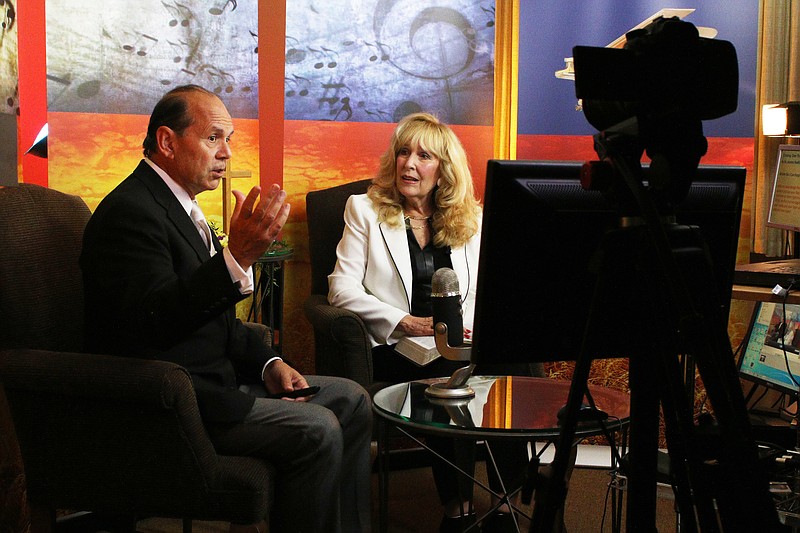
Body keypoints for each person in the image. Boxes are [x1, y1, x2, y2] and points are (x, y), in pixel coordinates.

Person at [80, 84, 372, 533]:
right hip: (178, 404)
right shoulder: (130, 212)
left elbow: (217, 325)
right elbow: (155, 323)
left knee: (352, 400)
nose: (227, 154)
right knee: (318, 428)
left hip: (218, 385)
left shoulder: (181, 208)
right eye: (214, 138)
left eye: (228, 139)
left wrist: (270, 362)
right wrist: (237, 259)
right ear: (167, 141)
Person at [328, 112, 543, 533]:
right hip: (398, 348)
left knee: (514, 370)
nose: (409, 164)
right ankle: (457, 511)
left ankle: (504, 505)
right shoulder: (365, 210)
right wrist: (404, 321)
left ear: (444, 168)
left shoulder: (470, 219)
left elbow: (483, 290)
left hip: (459, 342)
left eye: (423, 155)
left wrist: (472, 330)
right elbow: (340, 289)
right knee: (449, 376)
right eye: (403, 152)